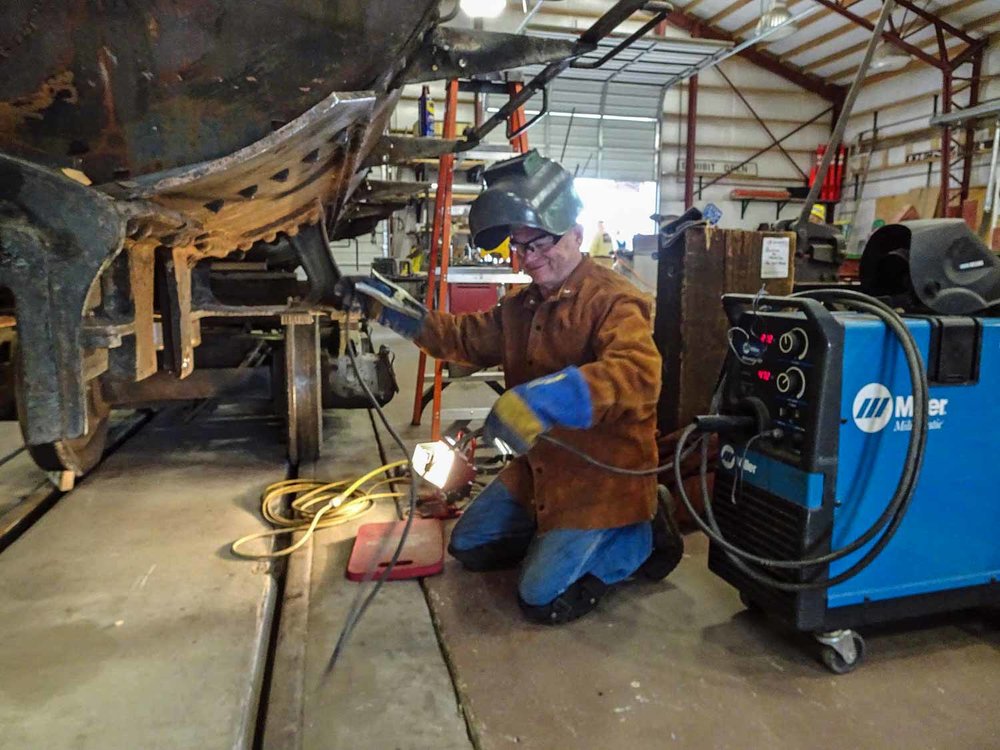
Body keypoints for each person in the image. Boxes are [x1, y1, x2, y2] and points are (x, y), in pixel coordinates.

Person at [356, 151, 683, 624]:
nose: (530, 258)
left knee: (540, 598)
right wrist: (392, 310)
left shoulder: (616, 299)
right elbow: (462, 337)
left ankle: (640, 534)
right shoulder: (522, 305)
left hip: (600, 478)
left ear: (575, 232)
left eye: (541, 243)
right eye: (520, 246)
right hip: (541, 468)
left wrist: (547, 398)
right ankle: (557, 534)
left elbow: (638, 376)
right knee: (470, 547)